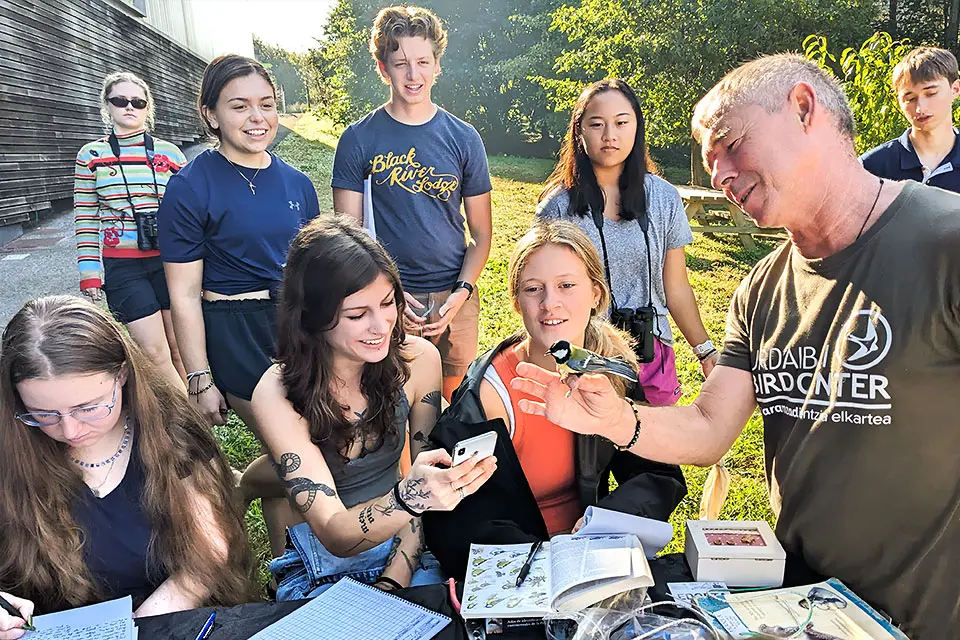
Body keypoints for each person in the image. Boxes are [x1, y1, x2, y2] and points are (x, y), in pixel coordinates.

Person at [511, 54, 960, 638]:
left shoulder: (945, 241)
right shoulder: (760, 289)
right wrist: (620, 420)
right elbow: (708, 427)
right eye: (709, 162)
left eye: (730, 145)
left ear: (803, 108)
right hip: (807, 608)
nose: (718, 176)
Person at [422, 221, 686, 579]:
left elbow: (658, 473)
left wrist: (601, 525)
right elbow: (459, 521)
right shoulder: (487, 394)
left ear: (595, 293)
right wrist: (547, 563)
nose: (550, 303)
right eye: (534, 289)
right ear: (516, 302)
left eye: (566, 285)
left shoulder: (610, 370)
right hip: (519, 569)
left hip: (593, 554)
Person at [251, 216, 497, 600]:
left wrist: (394, 579)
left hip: (408, 549)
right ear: (312, 318)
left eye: (387, 304)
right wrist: (410, 495)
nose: (381, 326)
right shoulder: (278, 391)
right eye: (356, 315)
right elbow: (333, 531)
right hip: (320, 565)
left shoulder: (419, 361)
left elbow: (422, 480)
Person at [0, 296, 252, 639]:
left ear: (121, 374)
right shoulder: (11, 445)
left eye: (88, 407)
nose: (71, 431)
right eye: (43, 414)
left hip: (164, 621)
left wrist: (133, 631)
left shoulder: (171, 435)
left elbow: (206, 558)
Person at [158, 55, 320, 555]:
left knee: (302, 444)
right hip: (233, 327)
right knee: (296, 448)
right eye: (240, 106)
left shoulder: (298, 184)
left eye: (266, 105)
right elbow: (183, 294)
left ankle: (288, 566)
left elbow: (311, 271)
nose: (257, 118)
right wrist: (200, 377)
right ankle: (249, 493)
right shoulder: (190, 186)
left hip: (293, 326)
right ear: (211, 115)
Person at [332, 5, 493, 402]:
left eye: (423, 61)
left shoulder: (464, 138)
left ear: (437, 65)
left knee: (455, 407)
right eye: (400, 62)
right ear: (383, 67)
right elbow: (347, 238)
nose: (413, 74)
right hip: (386, 301)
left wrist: (461, 294)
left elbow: (483, 234)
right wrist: (385, 296)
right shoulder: (359, 139)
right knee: (396, 406)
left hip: (454, 298)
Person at [538, 79, 717, 406]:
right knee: (588, 456)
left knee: (655, 453)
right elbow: (544, 293)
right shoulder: (557, 208)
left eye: (621, 122)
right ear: (579, 132)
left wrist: (705, 350)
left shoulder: (664, 199)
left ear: (637, 127)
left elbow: (676, 286)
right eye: (597, 124)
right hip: (584, 356)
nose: (610, 135)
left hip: (652, 354)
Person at [74, 72, 188, 390]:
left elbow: (191, 213)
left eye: (138, 102)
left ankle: (196, 427)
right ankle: (190, 424)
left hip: (171, 260)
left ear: (147, 108)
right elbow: (84, 217)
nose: (129, 107)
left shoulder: (171, 154)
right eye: (119, 101)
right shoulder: (90, 156)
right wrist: (90, 274)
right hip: (123, 265)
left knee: (180, 351)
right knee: (154, 352)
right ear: (106, 106)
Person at [861, 47, 960, 191]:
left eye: (931, 93)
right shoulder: (872, 167)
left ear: (955, 89)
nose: (920, 108)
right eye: (910, 99)